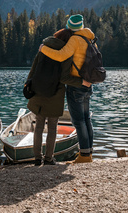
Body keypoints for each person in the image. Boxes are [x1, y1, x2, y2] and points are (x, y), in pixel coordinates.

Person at [39, 14, 95, 163]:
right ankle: (88, 152)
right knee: (87, 119)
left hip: (75, 85)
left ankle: (84, 155)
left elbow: (61, 56)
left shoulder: (75, 40)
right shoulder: (90, 39)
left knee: (79, 121)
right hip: (88, 85)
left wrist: (43, 49)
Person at [26, 28, 83, 166]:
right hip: (55, 95)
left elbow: (33, 69)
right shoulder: (66, 53)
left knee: (38, 126)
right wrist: (81, 82)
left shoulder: (44, 48)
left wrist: (28, 85)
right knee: (52, 127)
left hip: (38, 91)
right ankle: (49, 158)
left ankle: (37, 158)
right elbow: (64, 78)